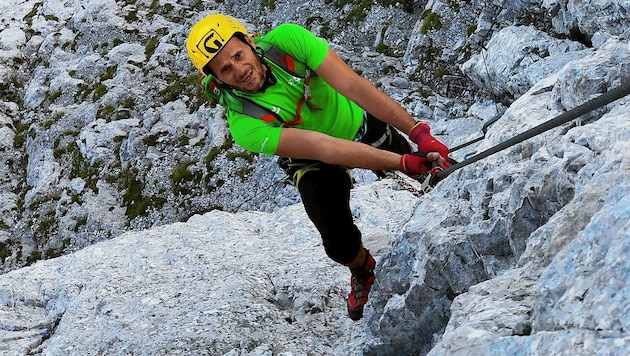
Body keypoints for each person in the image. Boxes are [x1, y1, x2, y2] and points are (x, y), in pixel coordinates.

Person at [185, 13, 451, 320]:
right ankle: (362, 267)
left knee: (428, 171)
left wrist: (418, 132)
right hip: (312, 158)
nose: (239, 70)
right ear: (217, 79)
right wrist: (401, 162)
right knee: (337, 241)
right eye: (226, 69)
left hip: (355, 121)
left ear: (249, 41)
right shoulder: (245, 124)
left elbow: (352, 85)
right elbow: (323, 148)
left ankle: (439, 180)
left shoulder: (289, 41)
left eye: (237, 55)